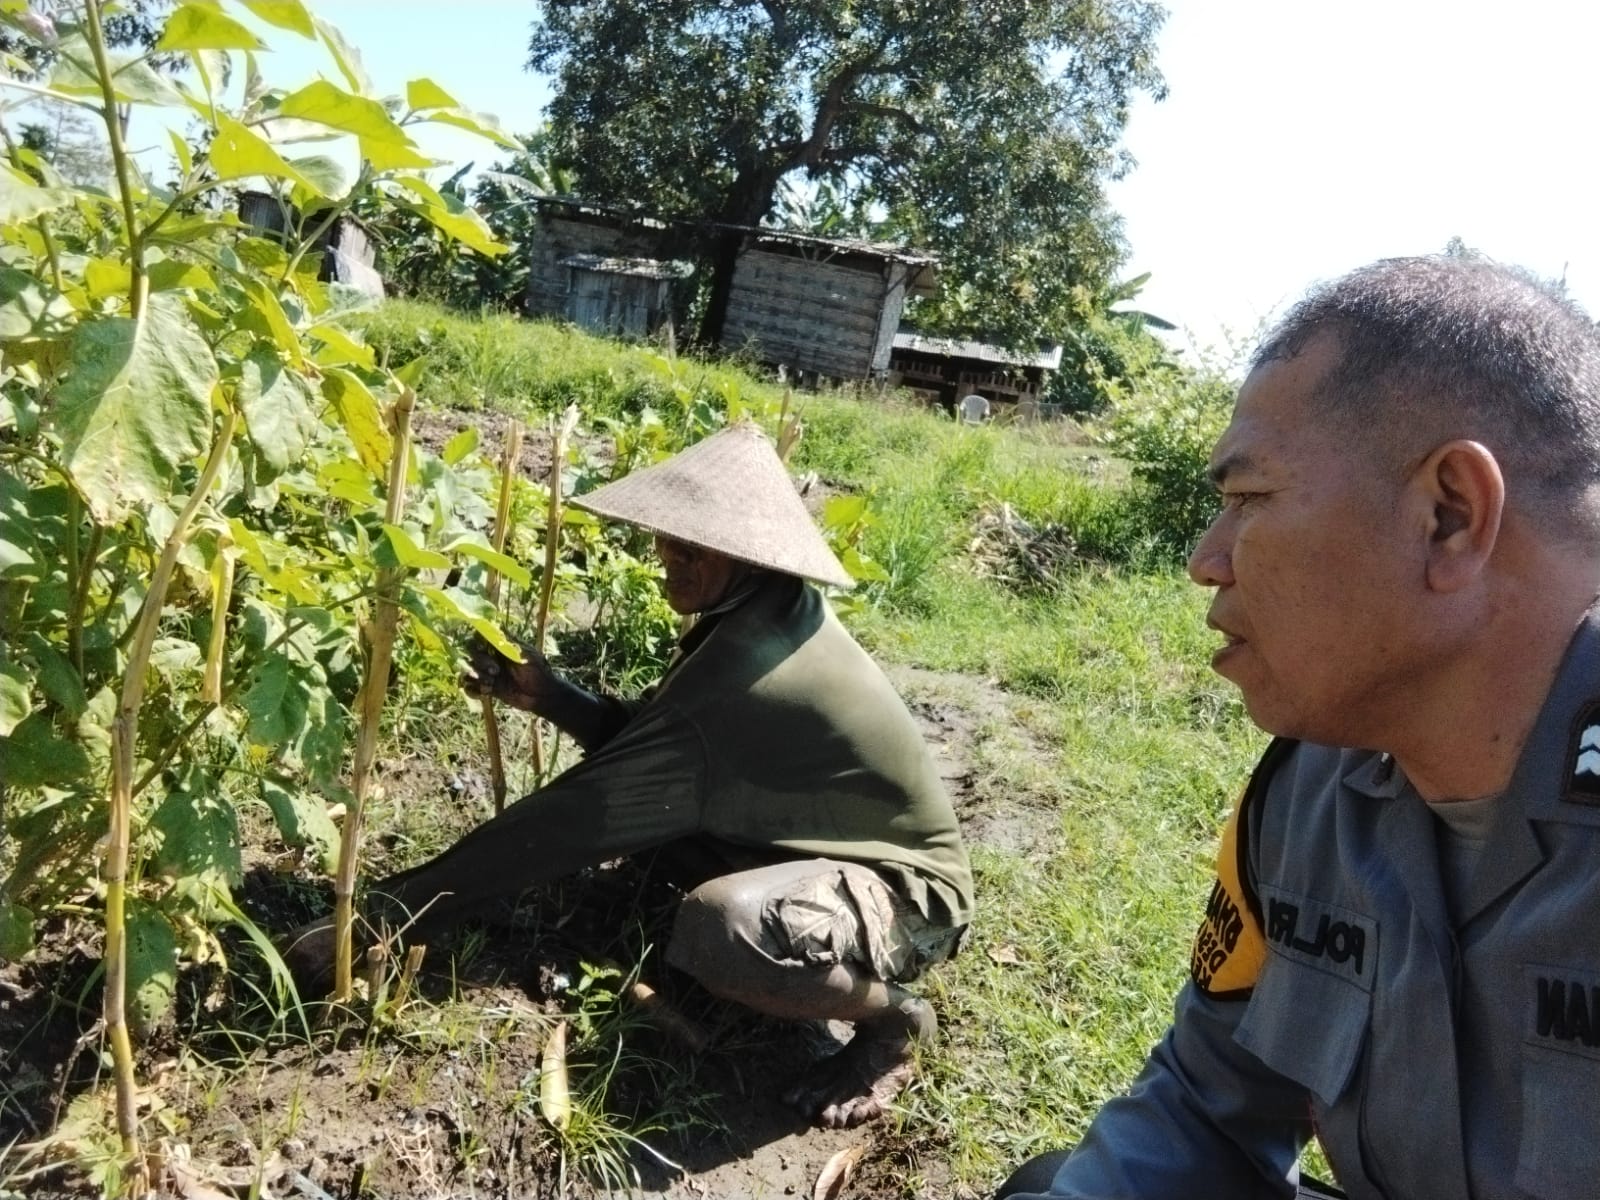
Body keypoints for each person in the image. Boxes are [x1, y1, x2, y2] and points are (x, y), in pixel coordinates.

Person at [998, 256, 1600, 1199]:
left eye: (1248, 498)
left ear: (1450, 516)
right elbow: (1204, 1101)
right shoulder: (1307, 790)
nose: (1206, 560)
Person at [286, 420, 974, 1130]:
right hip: (816, 847)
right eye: (670, 536)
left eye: (696, 547)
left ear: (749, 555)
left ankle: (893, 1024)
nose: (670, 557)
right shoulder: (758, 612)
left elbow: (585, 814)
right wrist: (553, 698)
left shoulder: (751, 663)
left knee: (723, 929)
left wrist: (389, 913)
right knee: (678, 873)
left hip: (908, 898)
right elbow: (663, 760)